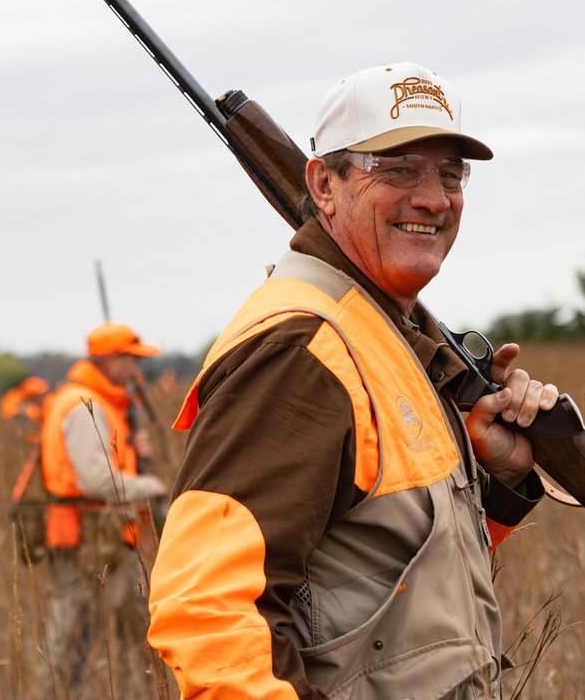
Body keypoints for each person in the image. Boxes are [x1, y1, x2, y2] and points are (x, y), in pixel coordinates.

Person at [148, 62, 559, 699]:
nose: (432, 197)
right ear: (324, 184)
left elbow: (397, 589)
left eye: (451, 174)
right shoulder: (301, 350)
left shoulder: (386, 336)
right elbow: (208, 614)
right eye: (397, 170)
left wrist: (495, 479)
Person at [39, 321, 170, 695]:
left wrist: (131, 449)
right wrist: (147, 485)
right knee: (72, 630)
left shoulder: (100, 403)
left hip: (102, 536)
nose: (137, 370)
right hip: (85, 537)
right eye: (132, 361)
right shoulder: (85, 406)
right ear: (111, 361)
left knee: (114, 623)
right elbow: (97, 481)